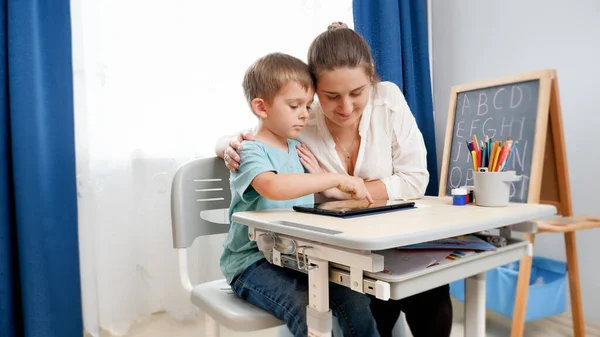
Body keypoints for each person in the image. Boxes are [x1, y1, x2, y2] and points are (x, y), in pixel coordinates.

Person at [216, 23, 453, 337]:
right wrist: (224, 144)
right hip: (292, 255)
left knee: (421, 286)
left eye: (357, 93)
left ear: (371, 78)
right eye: (330, 96)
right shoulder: (299, 124)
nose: (345, 107)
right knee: (334, 301)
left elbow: (414, 179)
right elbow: (261, 150)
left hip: (349, 245)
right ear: (315, 92)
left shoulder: (384, 101)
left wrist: (336, 186)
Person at [220, 52, 381, 337]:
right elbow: (273, 186)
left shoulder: (298, 149)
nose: (305, 114)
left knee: (354, 297)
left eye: (307, 105)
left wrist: (335, 185)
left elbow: (318, 193)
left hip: (297, 258)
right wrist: (335, 178)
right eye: (294, 105)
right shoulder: (250, 150)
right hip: (251, 264)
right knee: (306, 307)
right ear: (261, 107)